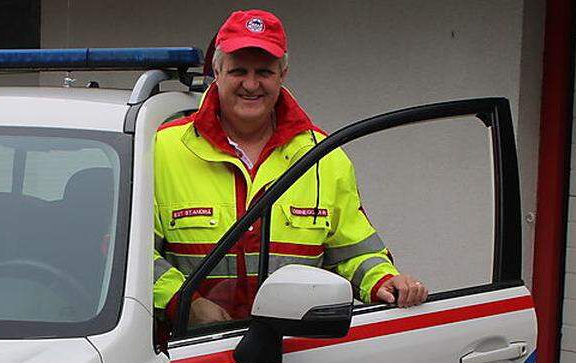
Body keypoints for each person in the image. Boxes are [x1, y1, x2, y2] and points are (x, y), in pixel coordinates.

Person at [153, 9, 427, 327]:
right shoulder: (162, 149)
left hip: (293, 357)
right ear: (217, 71)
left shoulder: (324, 156)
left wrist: (384, 281)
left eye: (264, 72)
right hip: (190, 355)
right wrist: (185, 302)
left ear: (283, 74)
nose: (251, 84)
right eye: (238, 70)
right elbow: (129, 260)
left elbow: (353, 252)